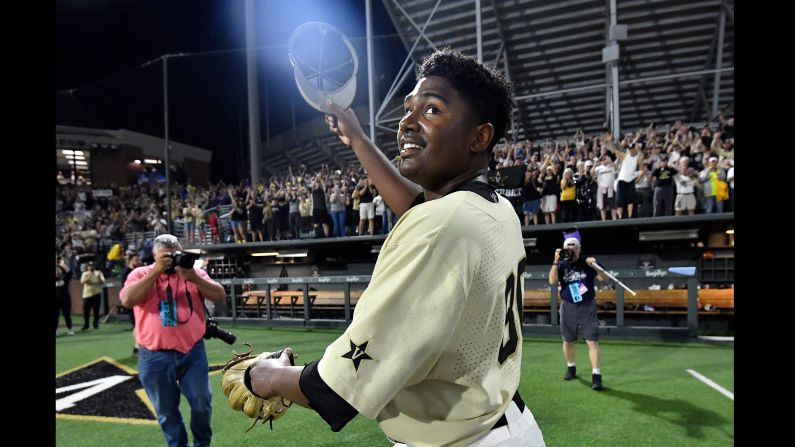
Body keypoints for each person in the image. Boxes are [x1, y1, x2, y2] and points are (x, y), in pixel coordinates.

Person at [244, 48, 545, 446]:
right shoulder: (496, 207)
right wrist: (359, 139)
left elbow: (336, 388)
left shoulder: (441, 226)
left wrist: (265, 376)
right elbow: (421, 208)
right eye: (408, 109)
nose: (407, 123)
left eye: (432, 110)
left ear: (479, 137)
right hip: (507, 423)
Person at [119, 234, 226, 447]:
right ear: (154, 256)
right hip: (154, 355)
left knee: (202, 403)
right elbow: (128, 300)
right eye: (165, 257)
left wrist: (193, 277)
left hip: (192, 352)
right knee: (166, 412)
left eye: (174, 255)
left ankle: (202, 443)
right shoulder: (140, 273)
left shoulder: (192, 273)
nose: (171, 260)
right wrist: (156, 272)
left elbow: (219, 295)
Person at [548, 237, 608, 391]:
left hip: (587, 307)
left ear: (579, 248)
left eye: (574, 246)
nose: (571, 249)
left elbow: (605, 279)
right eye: (568, 246)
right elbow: (552, 281)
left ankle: (596, 376)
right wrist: (555, 260)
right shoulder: (561, 264)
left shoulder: (587, 263)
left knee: (592, 341)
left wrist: (595, 266)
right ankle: (571, 367)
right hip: (568, 307)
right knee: (567, 341)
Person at [80, 261, 105, 331]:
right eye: (90, 266)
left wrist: (99, 276)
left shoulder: (98, 273)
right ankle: (86, 324)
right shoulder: (85, 274)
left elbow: (102, 281)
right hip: (87, 294)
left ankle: (95, 324)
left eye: (92, 266)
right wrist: (88, 277)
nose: (91, 267)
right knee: (86, 311)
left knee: (96, 310)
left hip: (96, 293)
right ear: (88, 267)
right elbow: (82, 282)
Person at [56, 256, 75, 336]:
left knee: (67, 314)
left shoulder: (65, 278)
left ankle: (70, 329)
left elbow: (70, 273)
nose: (57, 272)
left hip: (65, 298)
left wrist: (63, 265)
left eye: (58, 271)